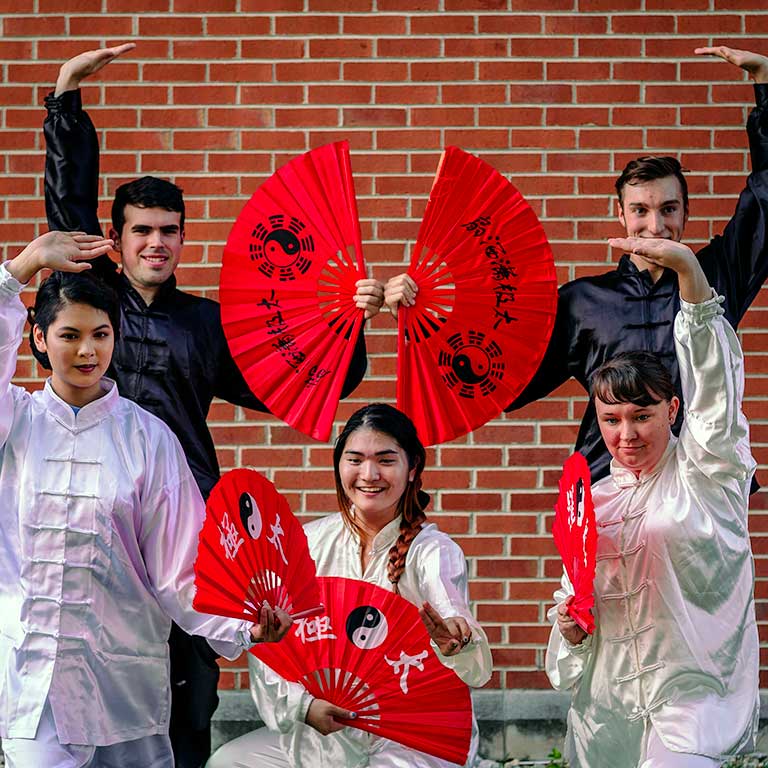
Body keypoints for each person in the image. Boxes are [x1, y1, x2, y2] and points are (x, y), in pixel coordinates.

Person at [43, 44, 384, 767]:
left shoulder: (210, 322)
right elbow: (67, 208)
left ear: (183, 238)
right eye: (142, 229)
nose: (157, 242)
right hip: (96, 514)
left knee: (191, 682)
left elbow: (296, 380)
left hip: (189, 516)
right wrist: (66, 103)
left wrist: (353, 321)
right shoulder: (91, 301)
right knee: (86, 680)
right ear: (117, 238)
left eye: (169, 230)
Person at [384, 46, 768, 483]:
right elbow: (501, 381)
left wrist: (767, 87)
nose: (655, 225)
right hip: (610, 481)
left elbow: (766, 203)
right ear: (620, 215)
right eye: (640, 210)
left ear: (685, 214)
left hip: (702, 480)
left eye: (668, 209)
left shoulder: (715, 277)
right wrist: (421, 317)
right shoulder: (584, 301)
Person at [0, 231, 293, 768]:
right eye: (69, 335)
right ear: (39, 339)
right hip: (31, 677)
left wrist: (244, 625)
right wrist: (21, 268)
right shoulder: (14, 422)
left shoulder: (149, 439)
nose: (87, 350)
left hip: (123, 680)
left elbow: (183, 565)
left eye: (101, 334)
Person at [545, 235, 758, 767]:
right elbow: (574, 623)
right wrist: (569, 631)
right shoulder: (591, 501)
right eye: (611, 420)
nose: (627, 435)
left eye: (642, 416)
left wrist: (691, 276)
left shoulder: (708, 474)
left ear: (672, 409)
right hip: (605, 720)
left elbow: (716, 394)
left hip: (690, 707)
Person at [206, 403, 493, 768]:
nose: (369, 474)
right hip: (319, 733)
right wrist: (304, 707)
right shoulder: (306, 544)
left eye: (386, 460)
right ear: (339, 465)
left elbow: (451, 612)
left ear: (413, 468)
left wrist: (455, 640)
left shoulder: (433, 552)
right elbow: (271, 656)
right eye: (355, 459)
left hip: (403, 737)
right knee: (228, 762)